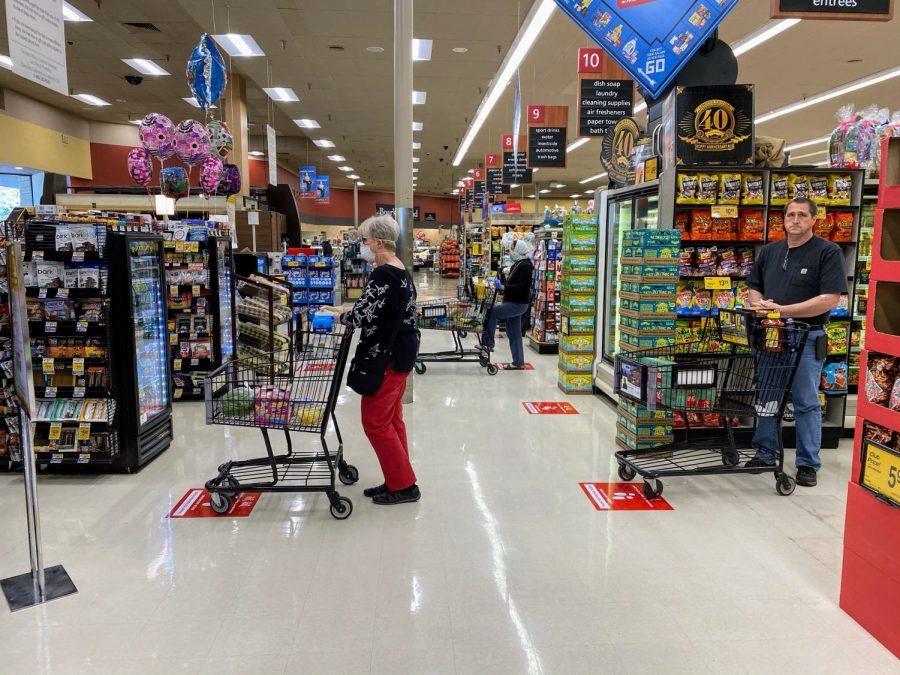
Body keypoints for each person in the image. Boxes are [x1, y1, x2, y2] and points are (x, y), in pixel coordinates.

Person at [744, 196, 847, 487]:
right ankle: (765, 452)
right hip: (771, 334)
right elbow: (753, 287)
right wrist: (761, 304)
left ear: (814, 220)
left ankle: (807, 464)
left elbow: (829, 299)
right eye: (790, 215)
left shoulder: (828, 252)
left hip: (807, 334)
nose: (796, 220)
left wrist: (784, 311)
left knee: (806, 402)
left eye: (802, 215)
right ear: (784, 220)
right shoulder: (770, 251)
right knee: (767, 397)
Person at [330, 215, 420, 505]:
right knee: (393, 420)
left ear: (379, 242)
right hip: (402, 351)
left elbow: (361, 315)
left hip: (386, 357)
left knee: (375, 421)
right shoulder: (399, 270)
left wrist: (337, 316)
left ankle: (405, 486)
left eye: (365, 240)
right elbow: (385, 309)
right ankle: (398, 478)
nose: (363, 245)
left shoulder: (383, 275)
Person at [483, 239, 535, 370]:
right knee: (514, 333)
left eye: (513, 249)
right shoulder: (517, 264)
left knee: (492, 311)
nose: (511, 252)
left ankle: (488, 343)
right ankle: (518, 362)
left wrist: (503, 287)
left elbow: (521, 287)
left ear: (519, 250)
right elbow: (513, 284)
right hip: (512, 301)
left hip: (518, 303)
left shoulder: (526, 266)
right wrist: (499, 283)